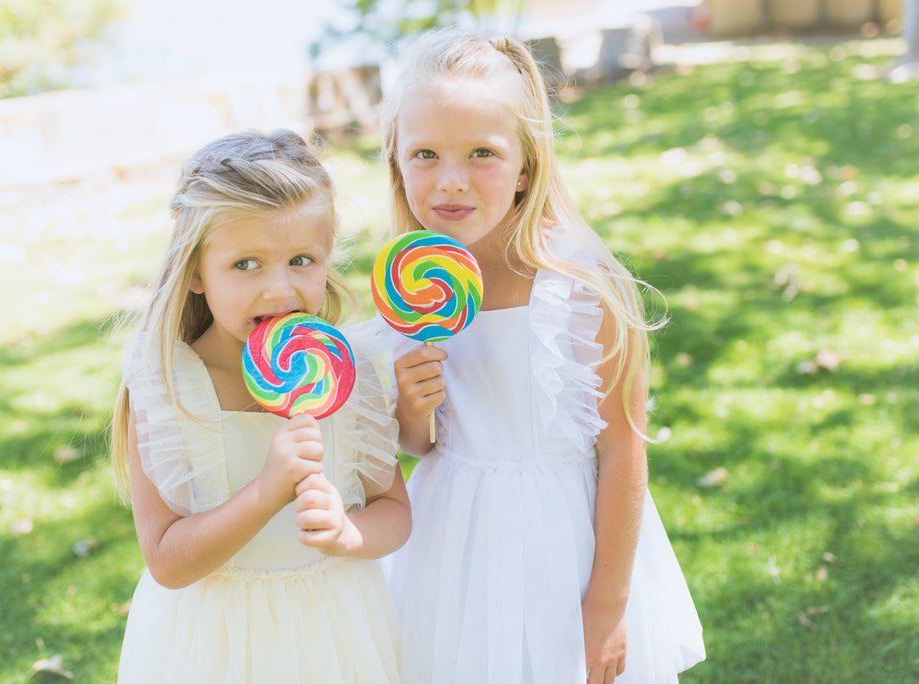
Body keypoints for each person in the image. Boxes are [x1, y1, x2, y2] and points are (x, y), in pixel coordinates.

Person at [373, 28, 706, 684]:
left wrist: (608, 607)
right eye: (426, 154)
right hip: (454, 544)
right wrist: (412, 406)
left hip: (568, 545)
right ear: (397, 162)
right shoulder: (412, 292)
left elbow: (622, 451)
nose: (451, 181)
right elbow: (421, 443)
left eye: (481, 154)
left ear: (526, 165)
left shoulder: (581, 288)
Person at [109, 129, 410, 683]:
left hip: (335, 633)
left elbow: (394, 512)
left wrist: (349, 533)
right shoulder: (166, 387)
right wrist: (265, 492)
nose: (279, 290)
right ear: (196, 271)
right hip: (212, 646)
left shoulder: (348, 376)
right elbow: (168, 561)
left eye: (301, 260)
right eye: (246, 264)